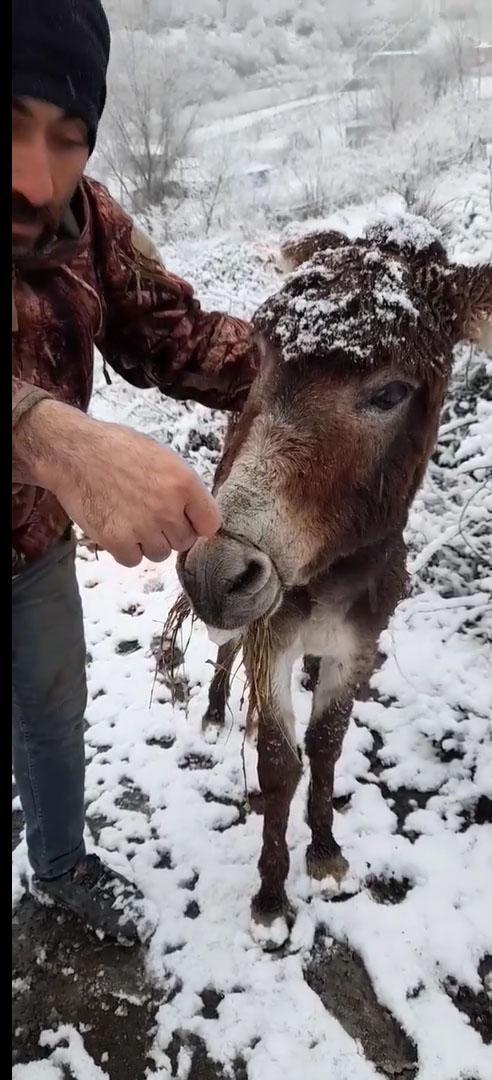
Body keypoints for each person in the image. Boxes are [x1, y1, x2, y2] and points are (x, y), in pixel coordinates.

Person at [12, 0, 258, 944]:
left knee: (51, 705)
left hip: (30, 546)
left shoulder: (90, 221)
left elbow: (174, 336)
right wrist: (53, 440)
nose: (36, 178)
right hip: (46, 487)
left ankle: (62, 866)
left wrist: (300, 374)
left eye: (67, 138)